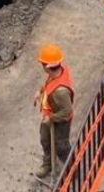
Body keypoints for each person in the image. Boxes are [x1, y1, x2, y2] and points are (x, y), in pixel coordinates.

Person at [34, 44, 74, 178]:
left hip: (60, 121)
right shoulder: (57, 72)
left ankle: (73, 169)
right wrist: (40, 91)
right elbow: (48, 83)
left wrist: (51, 118)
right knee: (45, 140)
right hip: (49, 116)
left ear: (47, 67)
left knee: (62, 146)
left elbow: (67, 111)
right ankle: (48, 164)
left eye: (43, 64)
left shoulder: (61, 92)